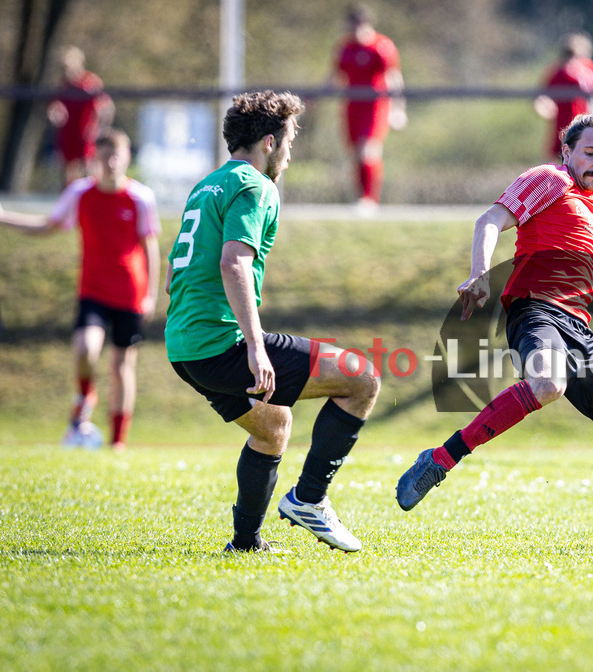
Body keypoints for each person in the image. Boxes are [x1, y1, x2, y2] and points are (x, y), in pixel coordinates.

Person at [395, 114, 593, 512]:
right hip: (536, 310)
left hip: (579, 330)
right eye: (591, 152)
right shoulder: (550, 179)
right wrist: (479, 272)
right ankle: (441, 459)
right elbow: (491, 219)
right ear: (568, 151)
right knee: (547, 384)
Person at [165, 90, 380, 554]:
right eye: (288, 140)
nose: (289, 151)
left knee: (272, 425)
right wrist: (255, 346)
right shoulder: (256, 185)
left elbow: (174, 273)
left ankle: (245, 544)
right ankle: (310, 499)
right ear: (269, 141)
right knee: (362, 378)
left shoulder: (208, 185)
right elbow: (233, 263)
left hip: (184, 347)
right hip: (220, 344)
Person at [0, 128, 160, 450]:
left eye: (117, 155)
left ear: (127, 158)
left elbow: (150, 247)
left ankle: (118, 442)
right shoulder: (80, 193)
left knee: (121, 366)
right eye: (104, 156)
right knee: (86, 348)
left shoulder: (141, 197)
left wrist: (151, 294)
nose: (111, 162)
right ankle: (85, 394)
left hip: (130, 292)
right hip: (94, 291)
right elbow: (47, 226)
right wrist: (4, 217)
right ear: (95, 159)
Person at [331, 3, 405, 210]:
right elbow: (335, 76)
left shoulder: (382, 46)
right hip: (352, 106)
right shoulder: (345, 47)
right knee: (356, 154)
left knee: (368, 151)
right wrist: (313, 98)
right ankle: (361, 199)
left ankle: (369, 200)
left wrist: (398, 110)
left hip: (376, 106)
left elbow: (394, 78)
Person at [533, 32, 593, 161]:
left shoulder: (589, 70)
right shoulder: (562, 72)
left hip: (581, 128)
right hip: (569, 128)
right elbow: (543, 99)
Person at [47, 46, 115, 186]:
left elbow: (107, 107)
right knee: (68, 173)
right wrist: (54, 115)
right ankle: (70, 201)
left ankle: (93, 198)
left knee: (90, 170)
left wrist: (101, 128)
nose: (67, 71)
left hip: (86, 133)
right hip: (68, 132)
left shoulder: (90, 82)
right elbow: (53, 107)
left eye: (69, 66)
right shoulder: (61, 85)